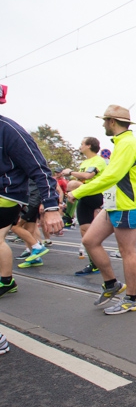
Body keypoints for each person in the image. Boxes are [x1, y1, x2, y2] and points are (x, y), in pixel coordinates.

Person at [68, 105, 136, 314]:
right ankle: (111, 284)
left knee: (127, 251)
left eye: (104, 121)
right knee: (89, 241)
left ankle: (131, 299)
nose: (103, 124)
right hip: (114, 203)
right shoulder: (121, 144)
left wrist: (78, 192)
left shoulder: (128, 143)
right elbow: (107, 176)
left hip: (127, 205)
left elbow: (112, 177)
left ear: (112, 122)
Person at [0, 83, 63, 299]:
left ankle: (29, 254)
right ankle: (6, 280)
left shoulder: (10, 130)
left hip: (7, 194)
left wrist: (52, 206)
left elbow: (40, 170)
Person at [62, 137, 107, 275]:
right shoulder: (84, 162)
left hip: (95, 193)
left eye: (82, 144)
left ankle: (67, 216)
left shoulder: (98, 160)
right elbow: (81, 178)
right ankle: (94, 263)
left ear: (89, 145)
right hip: (84, 196)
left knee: (72, 184)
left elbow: (88, 176)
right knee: (85, 232)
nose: (80, 146)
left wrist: (70, 172)